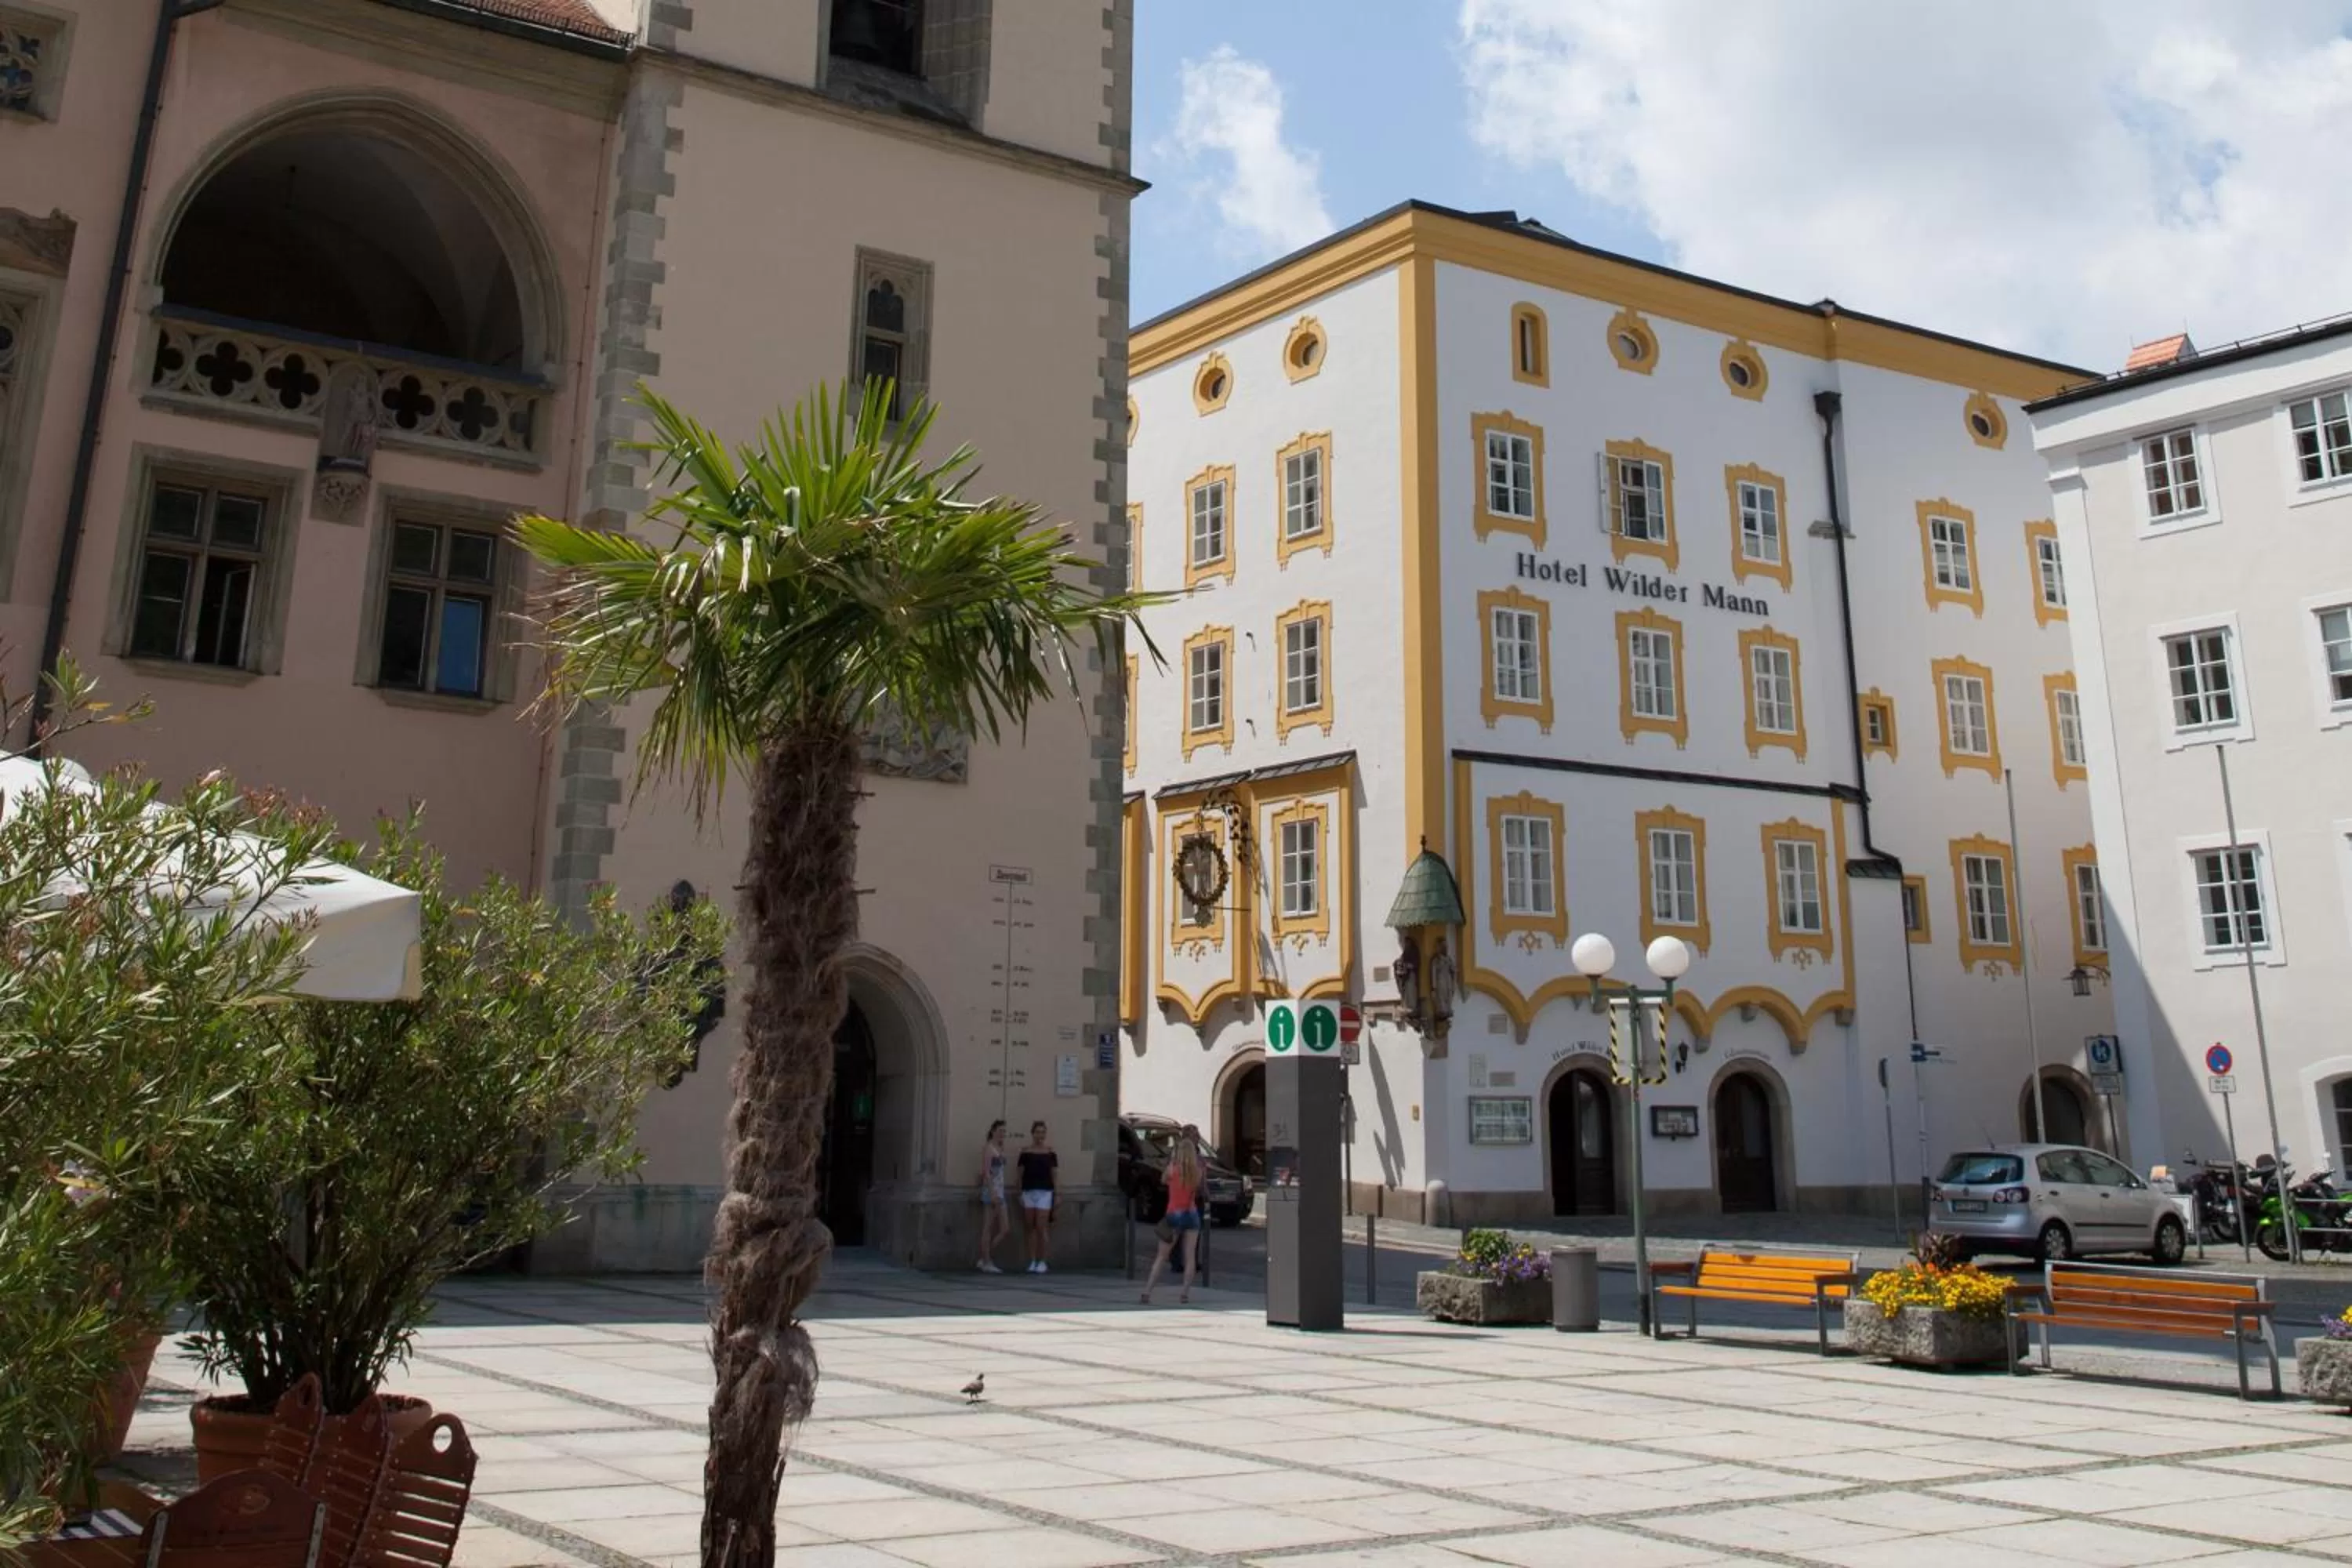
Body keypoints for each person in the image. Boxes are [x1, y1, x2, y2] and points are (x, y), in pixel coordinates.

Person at [1139, 1127, 1205, 1305]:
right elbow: (1198, 1188)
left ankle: (1147, 1291)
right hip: (1191, 1213)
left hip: (1174, 1213)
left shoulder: (1171, 1169)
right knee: (1190, 1255)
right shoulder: (1197, 1171)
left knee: (1162, 1256)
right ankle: (1184, 1293)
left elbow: (1162, 1181)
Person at [1015, 1120, 1058, 1273]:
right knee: (1030, 1228)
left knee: (1042, 1227)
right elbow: (1019, 1174)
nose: (1040, 1135)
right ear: (1032, 1134)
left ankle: (1043, 1261)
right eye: (1038, 1132)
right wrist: (1019, 1192)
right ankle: (1032, 1260)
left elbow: (1054, 1175)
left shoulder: (1050, 1153)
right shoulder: (1025, 1153)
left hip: (1045, 1192)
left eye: (1043, 1132)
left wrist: (1057, 1194)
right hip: (1028, 1191)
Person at [976, 1119, 1009, 1272]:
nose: (1003, 1134)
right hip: (992, 1191)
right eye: (1001, 1130)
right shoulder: (989, 1149)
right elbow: (986, 1173)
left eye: (1004, 1131)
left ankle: (985, 1256)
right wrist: (992, 1192)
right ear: (993, 1131)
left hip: (1000, 1190)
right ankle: (987, 1261)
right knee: (988, 1227)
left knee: (1005, 1228)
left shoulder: (999, 1148)